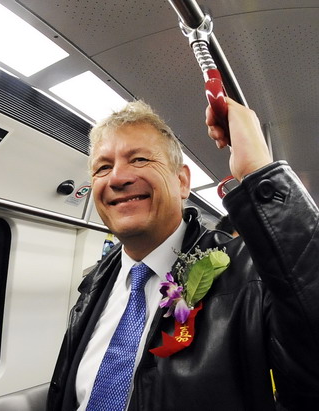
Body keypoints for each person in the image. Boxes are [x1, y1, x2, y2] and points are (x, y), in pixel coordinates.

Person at [47, 98, 319, 410]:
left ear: (182, 181)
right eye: (103, 167)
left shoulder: (248, 272)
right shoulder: (94, 282)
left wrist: (258, 172)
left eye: (138, 160)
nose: (118, 178)